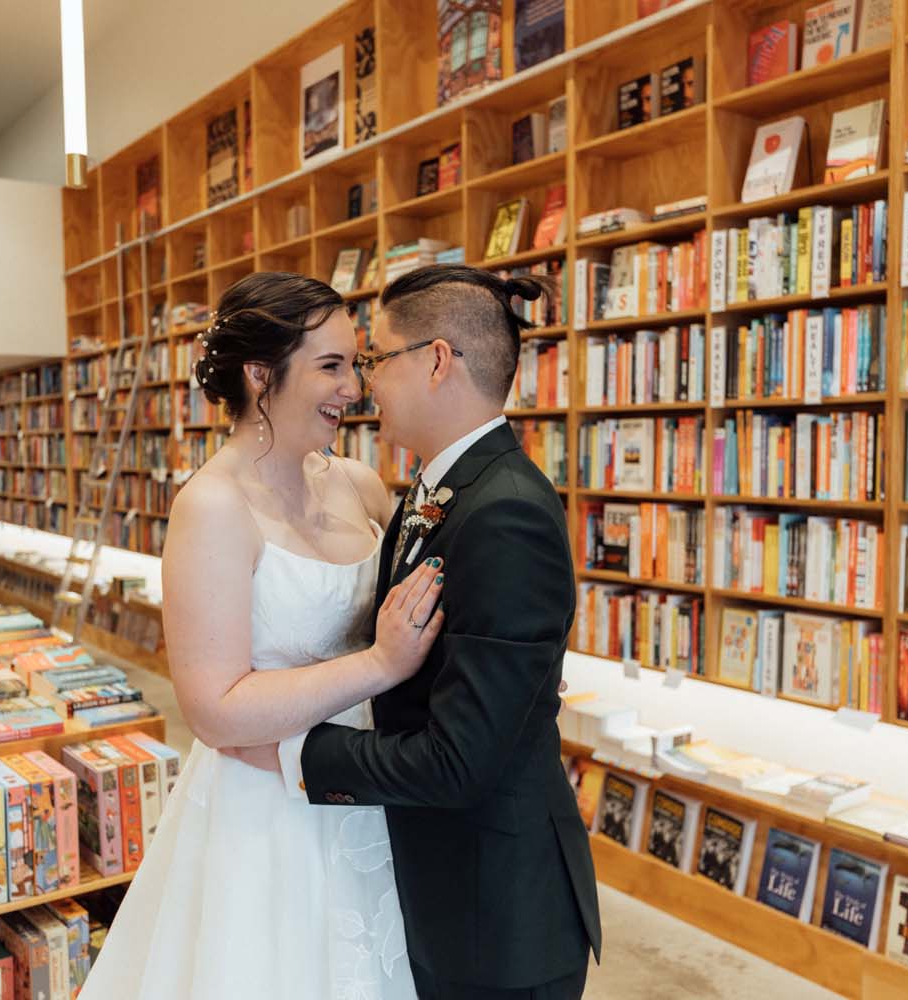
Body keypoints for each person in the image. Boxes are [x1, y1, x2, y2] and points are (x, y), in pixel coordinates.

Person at [81, 271, 441, 999]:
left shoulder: (359, 484)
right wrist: (378, 665)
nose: (355, 388)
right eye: (332, 366)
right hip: (268, 807)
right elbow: (214, 709)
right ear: (259, 375)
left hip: (371, 783)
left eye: (358, 365)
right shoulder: (211, 507)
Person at [255, 264, 602, 998]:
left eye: (376, 360)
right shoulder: (441, 484)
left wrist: (299, 749)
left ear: (437, 361)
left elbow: (458, 762)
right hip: (448, 879)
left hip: (498, 917)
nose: (361, 384)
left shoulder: (506, 510)